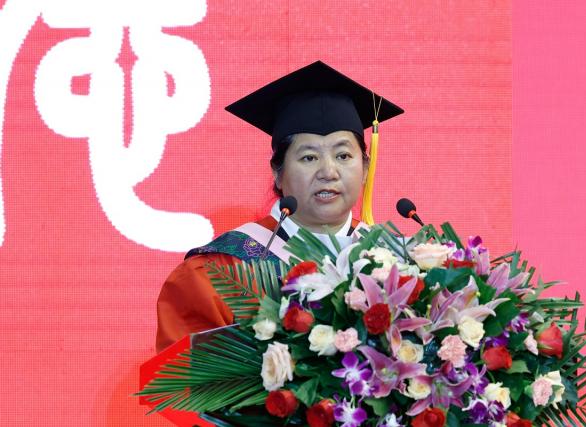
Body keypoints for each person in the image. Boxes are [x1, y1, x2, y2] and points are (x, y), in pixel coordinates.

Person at [155, 61, 403, 352]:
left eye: (343, 156)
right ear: (277, 172)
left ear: (365, 168)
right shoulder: (220, 272)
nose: (329, 172)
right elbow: (183, 374)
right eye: (309, 158)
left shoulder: (399, 264)